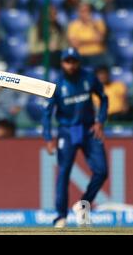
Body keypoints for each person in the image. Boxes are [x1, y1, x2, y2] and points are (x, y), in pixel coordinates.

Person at [42, 47, 109, 228]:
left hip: (88, 129)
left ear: (79, 62)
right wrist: (48, 138)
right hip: (67, 130)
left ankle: (83, 204)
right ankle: (60, 217)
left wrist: (100, 121)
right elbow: (47, 113)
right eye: (67, 61)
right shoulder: (57, 84)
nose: (71, 65)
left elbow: (103, 98)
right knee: (63, 173)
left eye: (74, 61)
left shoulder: (89, 77)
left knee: (102, 171)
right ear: (63, 63)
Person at [67, 3, 108, 68]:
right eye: (82, 11)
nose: (85, 13)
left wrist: (93, 26)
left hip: (96, 55)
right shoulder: (73, 25)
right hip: (81, 55)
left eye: (87, 11)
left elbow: (100, 39)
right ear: (78, 12)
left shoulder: (98, 23)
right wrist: (93, 40)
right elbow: (74, 43)